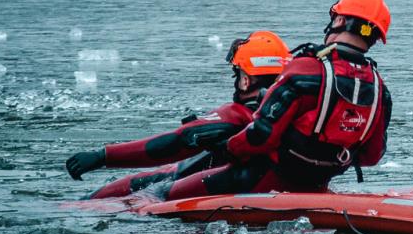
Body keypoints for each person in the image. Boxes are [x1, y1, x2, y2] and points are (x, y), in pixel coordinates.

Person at [161, 0, 393, 200]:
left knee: (158, 193)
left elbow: (260, 136)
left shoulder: (305, 69)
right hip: (315, 187)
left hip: (258, 181)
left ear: (340, 20)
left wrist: (226, 148)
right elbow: (371, 156)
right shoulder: (380, 89)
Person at [67, 31, 290, 199]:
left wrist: (103, 156)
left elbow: (176, 142)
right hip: (273, 182)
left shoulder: (237, 114)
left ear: (245, 80)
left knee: (99, 200)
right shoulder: (302, 111)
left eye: (237, 73)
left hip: (192, 181)